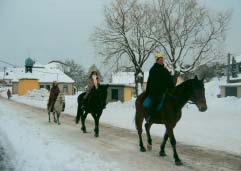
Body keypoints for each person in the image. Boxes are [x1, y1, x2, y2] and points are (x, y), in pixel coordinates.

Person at [145, 53, 174, 123]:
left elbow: (169, 80)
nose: (162, 61)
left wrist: (172, 86)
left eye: (162, 60)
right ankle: (150, 116)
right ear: (157, 61)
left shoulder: (165, 70)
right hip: (155, 91)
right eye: (160, 60)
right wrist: (161, 88)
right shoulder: (153, 70)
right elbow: (153, 82)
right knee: (155, 100)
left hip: (165, 91)